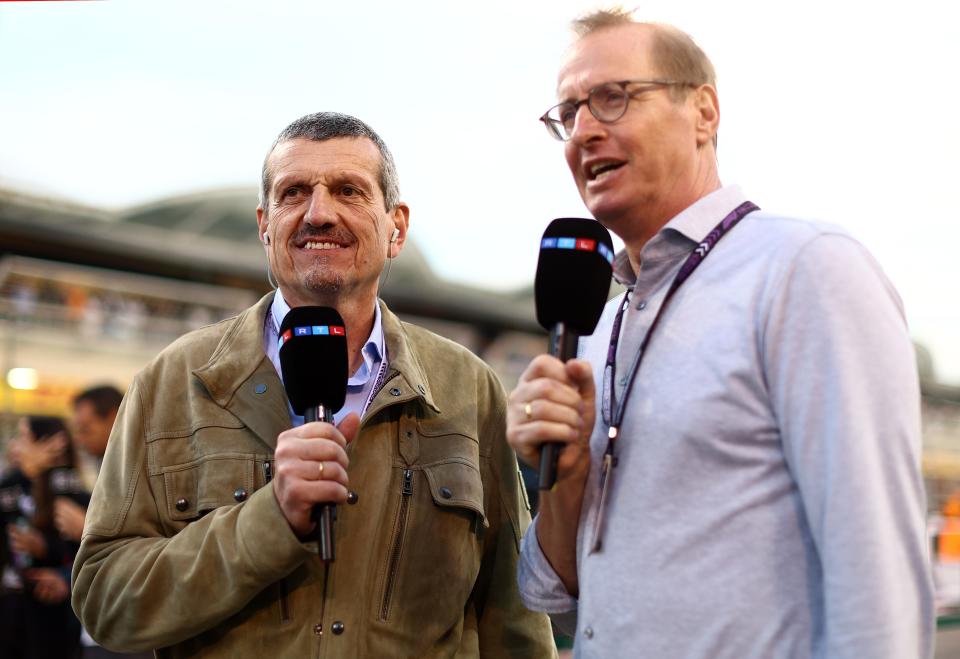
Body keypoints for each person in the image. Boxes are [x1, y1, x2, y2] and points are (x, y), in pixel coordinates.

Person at [507, 9, 934, 658]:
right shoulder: (601, 329)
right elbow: (563, 595)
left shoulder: (804, 267)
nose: (585, 131)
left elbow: (879, 583)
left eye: (613, 98)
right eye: (568, 113)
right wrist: (565, 475)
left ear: (704, 111)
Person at [72, 112, 555, 657]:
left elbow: (512, 614)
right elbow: (105, 600)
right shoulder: (176, 380)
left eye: (349, 191)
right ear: (264, 225)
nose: (319, 213)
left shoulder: (467, 387)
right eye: (294, 193)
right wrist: (268, 520)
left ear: (397, 227)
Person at [1, 416, 89, 658]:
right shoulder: (13, 486)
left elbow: (87, 551)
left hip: (57, 620)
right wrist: (26, 474)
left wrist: (47, 550)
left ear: (52, 445)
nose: (14, 446)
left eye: (23, 438)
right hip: (12, 615)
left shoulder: (73, 495)